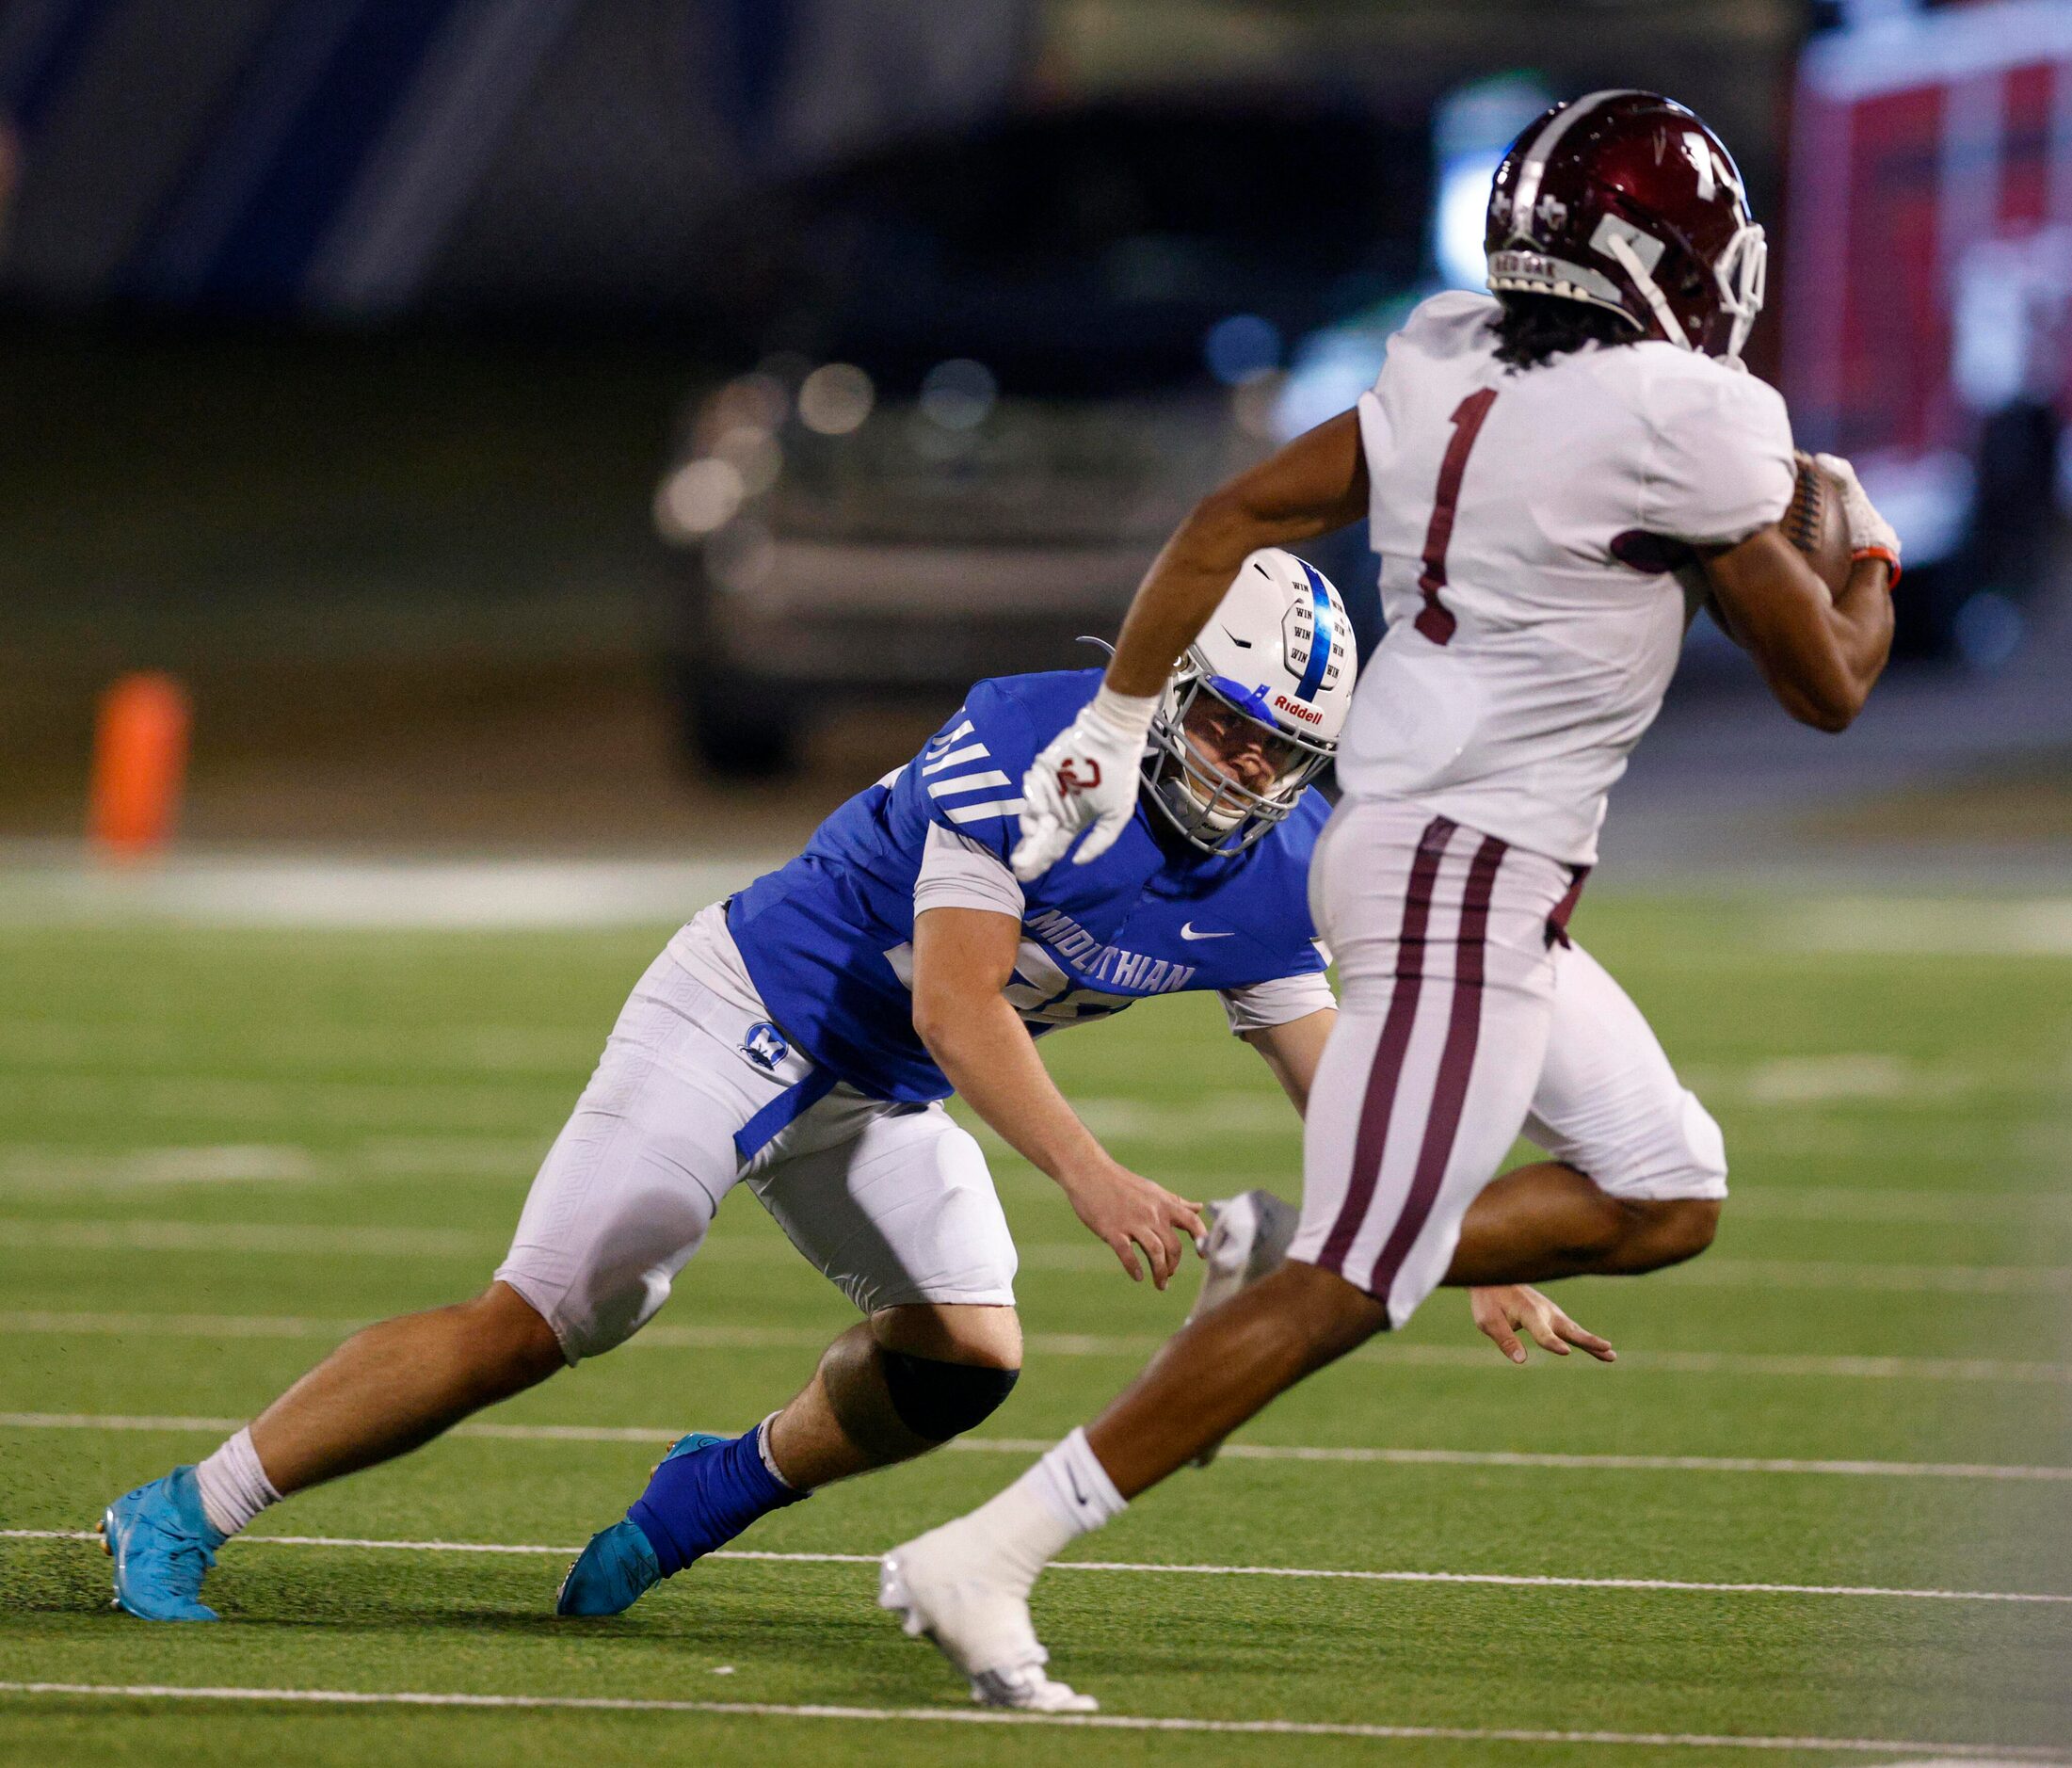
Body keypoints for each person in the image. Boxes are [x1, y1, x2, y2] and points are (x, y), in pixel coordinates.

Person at [879, 89, 1903, 1712]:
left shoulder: (1444, 356)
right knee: (1354, 1283)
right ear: (1669, 260)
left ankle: (1290, 1240)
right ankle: (986, 1551)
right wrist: (1866, 559)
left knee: (1661, 1188)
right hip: (1462, 881)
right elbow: (1830, 687)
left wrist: (1123, 712)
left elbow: (1236, 516)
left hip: (1433, 847)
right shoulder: (1681, 415)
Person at [94, 549, 1585, 1623]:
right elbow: (953, 998)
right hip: (757, 1006)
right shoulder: (1036, 745)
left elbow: (1337, 1080)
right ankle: (185, 1506)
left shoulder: (1275, 867)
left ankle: (710, 1489)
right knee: (544, 1321)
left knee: (965, 1357)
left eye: (1281, 749)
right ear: (1173, 685)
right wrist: (1087, 1169)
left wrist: (1461, 1242)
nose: (1245, 770)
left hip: (879, 1087)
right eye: (1225, 726)